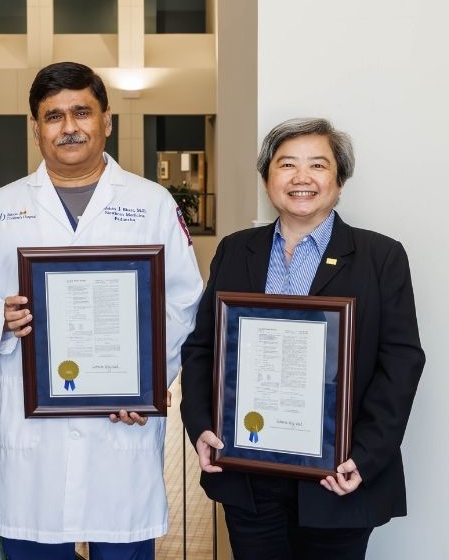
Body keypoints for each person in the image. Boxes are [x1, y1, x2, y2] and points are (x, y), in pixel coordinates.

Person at [0, 61, 203, 559]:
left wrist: (147, 380)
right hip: (33, 428)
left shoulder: (150, 203)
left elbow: (183, 298)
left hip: (120, 419)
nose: (69, 127)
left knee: (123, 546)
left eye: (81, 112)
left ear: (107, 120)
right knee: (35, 545)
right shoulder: (0, 207)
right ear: (36, 128)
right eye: (53, 116)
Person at [181, 118, 425, 559]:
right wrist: (201, 426)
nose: (301, 178)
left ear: (340, 180)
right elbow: (202, 348)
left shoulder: (380, 256)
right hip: (249, 476)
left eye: (318, 165)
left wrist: (365, 458)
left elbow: (401, 363)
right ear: (266, 178)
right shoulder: (237, 249)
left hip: (337, 478)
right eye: (286, 164)